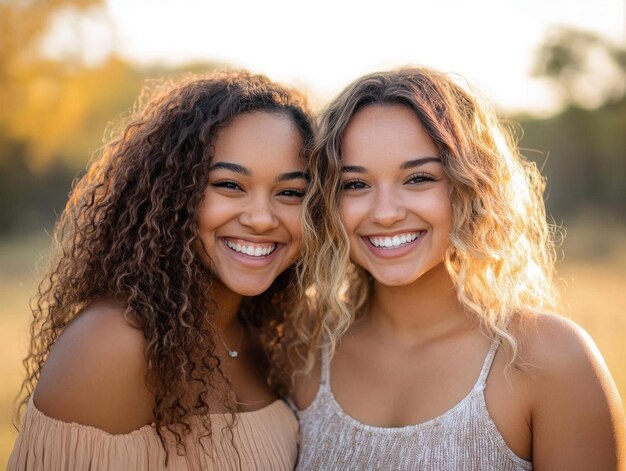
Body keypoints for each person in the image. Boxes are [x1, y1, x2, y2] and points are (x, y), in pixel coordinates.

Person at [290, 68, 625, 470]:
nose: (385, 213)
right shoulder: (301, 351)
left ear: (470, 186)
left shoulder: (549, 359)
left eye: (418, 178)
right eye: (355, 185)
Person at [8, 70, 314, 470]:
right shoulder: (113, 343)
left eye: (290, 192)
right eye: (229, 185)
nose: (261, 218)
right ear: (172, 193)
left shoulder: (275, 337)